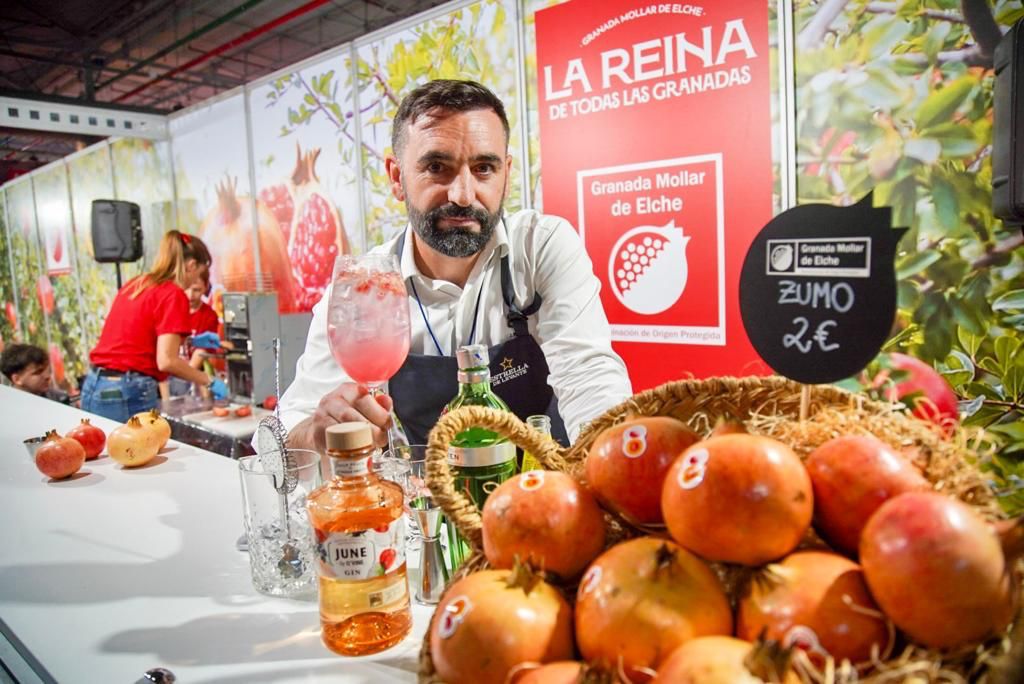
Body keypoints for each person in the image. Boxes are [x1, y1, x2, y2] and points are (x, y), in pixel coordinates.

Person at [281, 79, 632, 453]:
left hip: (537, 494)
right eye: (437, 167)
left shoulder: (539, 247)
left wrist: (615, 463)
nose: (463, 195)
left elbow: (590, 377)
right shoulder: (363, 288)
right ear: (397, 178)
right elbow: (284, 436)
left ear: (506, 174)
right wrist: (314, 435)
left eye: (483, 168)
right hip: (423, 504)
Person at [81, 230, 229, 421]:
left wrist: (189, 339)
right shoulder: (173, 294)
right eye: (201, 271)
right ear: (192, 265)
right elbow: (166, 361)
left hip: (95, 384)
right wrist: (209, 381)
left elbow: (138, 334)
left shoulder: (138, 283)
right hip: (127, 390)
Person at [0, 343, 72, 404]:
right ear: (17, 379)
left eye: (47, 370)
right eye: (38, 372)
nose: (47, 376)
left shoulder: (60, 399)